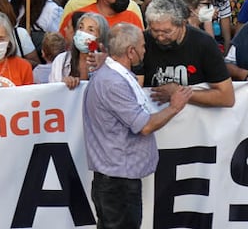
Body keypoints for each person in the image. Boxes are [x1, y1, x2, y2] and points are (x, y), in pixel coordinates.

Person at [82, 22, 192, 229]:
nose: (145, 50)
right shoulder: (113, 82)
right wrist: (174, 107)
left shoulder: (111, 75)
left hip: (115, 180)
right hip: (118, 183)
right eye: (142, 46)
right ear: (130, 52)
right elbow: (144, 126)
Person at [139, 0, 234, 107]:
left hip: (194, 116)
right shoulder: (142, 42)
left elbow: (227, 97)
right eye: (154, 31)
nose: (160, 37)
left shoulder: (203, 43)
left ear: (183, 23)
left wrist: (179, 93)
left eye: (167, 32)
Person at [49, 12, 110, 87]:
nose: (83, 33)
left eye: (90, 30)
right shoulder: (61, 60)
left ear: (100, 38)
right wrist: (62, 84)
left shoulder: (106, 63)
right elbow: (52, 89)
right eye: (81, 27)